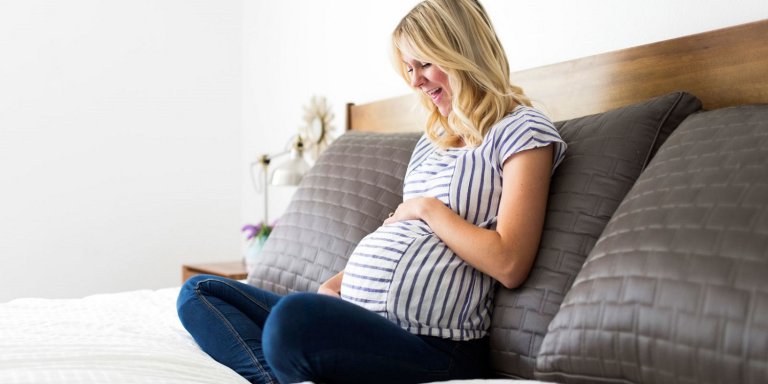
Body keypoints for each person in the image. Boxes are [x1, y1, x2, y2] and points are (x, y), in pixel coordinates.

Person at [176, 0, 566, 383]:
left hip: (434, 344)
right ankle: (276, 375)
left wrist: (429, 208)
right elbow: (399, 230)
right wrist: (334, 286)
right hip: (360, 316)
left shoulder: (522, 131)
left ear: (464, 52)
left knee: (291, 322)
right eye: (409, 69)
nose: (415, 82)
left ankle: (288, 362)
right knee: (199, 292)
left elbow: (510, 263)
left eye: (425, 64)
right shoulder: (431, 142)